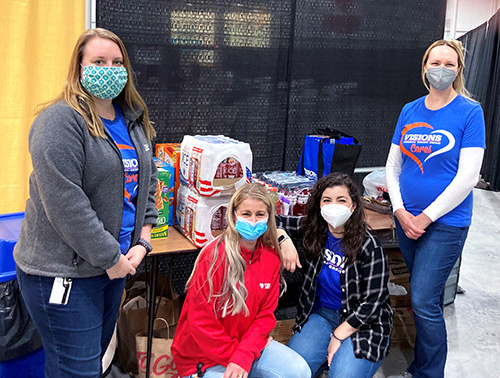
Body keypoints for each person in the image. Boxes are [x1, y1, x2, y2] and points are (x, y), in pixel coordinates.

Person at [14, 28, 158, 377]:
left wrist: (143, 239)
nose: (110, 69)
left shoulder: (132, 119)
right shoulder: (59, 121)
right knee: (76, 370)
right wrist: (111, 258)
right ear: (79, 67)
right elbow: (65, 203)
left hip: (116, 267)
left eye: (117, 62)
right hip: (65, 273)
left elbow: (148, 183)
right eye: (98, 61)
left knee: (90, 362)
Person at [385, 39, 486, 378]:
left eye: (449, 64)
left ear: (458, 70)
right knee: (421, 298)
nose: (441, 69)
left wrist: (425, 217)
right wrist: (400, 211)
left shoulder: (470, 112)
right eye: (435, 62)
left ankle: (428, 373)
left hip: (446, 223)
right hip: (406, 219)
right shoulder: (410, 110)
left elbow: (468, 177)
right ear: (425, 66)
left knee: (425, 301)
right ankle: (420, 365)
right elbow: (393, 167)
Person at [171, 183, 311, 378]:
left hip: (246, 347)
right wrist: (238, 357)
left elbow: (265, 317)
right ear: (234, 215)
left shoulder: (271, 257)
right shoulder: (213, 256)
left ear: (269, 217)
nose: (253, 221)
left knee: (299, 371)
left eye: (260, 214)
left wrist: (244, 353)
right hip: (203, 356)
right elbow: (200, 323)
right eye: (246, 214)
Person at [276, 173, 393, 378]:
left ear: (353, 206)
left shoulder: (368, 245)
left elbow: (374, 302)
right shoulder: (315, 230)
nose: (333, 205)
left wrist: (338, 336)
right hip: (323, 315)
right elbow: (274, 220)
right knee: (289, 372)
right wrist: (283, 239)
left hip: (363, 324)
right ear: (319, 205)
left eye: (341, 200)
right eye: (327, 200)